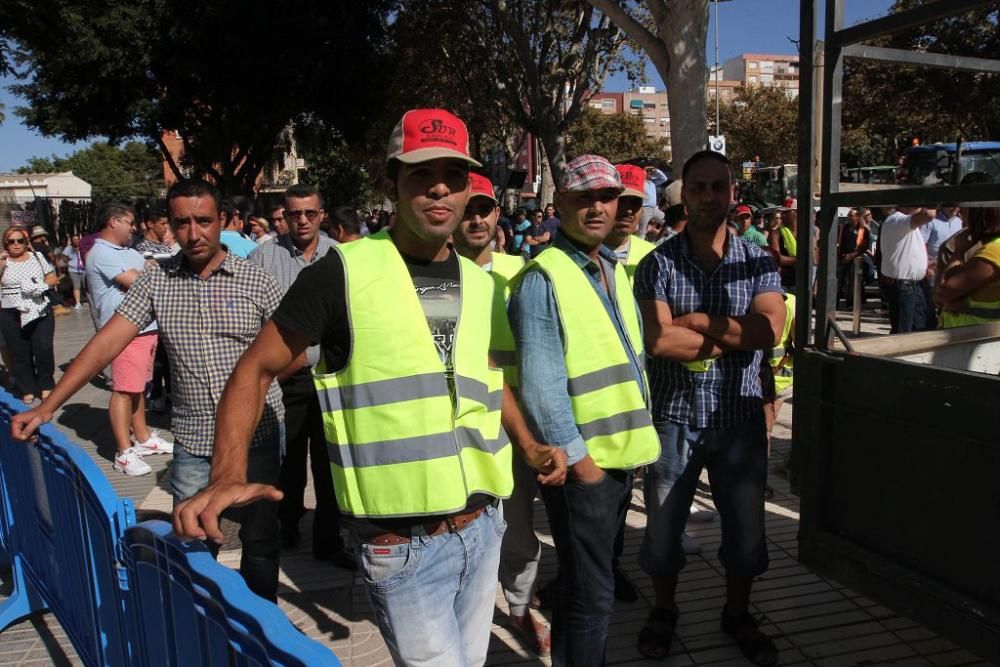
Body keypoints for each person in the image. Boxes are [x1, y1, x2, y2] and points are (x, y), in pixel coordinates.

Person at [171, 109, 563, 667]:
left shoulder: (482, 284)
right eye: (420, 175)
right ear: (392, 184)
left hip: (484, 526)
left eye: (453, 176)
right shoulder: (342, 273)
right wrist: (228, 472)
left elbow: (488, 377)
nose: (439, 190)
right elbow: (254, 368)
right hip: (401, 545)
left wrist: (527, 444)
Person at [12, 179, 286, 603]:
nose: (194, 233)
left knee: (262, 540)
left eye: (204, 221)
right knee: (193, 542)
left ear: (223, 221)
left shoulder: (257, 281)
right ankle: (207, 629)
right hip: (195, 438)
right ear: (168, 226)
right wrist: (49, 406)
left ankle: (263, 632)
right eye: (182, 223)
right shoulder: (157, 281)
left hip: (258, 435)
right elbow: (107, 342)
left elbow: (293, 353)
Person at [634, 150, 785, 665]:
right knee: (662, 531)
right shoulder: (657, 263)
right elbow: (659, 342)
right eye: (698, 187)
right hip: (674, 418)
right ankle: (665, 610)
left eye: (718, 187)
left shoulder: (759, 260)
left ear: (731, 193)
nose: (708, 196)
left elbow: (771, 329)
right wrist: (735, 333)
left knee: (746, 534)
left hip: (740, 418)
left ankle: (738, 613)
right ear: (683, 193)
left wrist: (696, 318)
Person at [508, 154, 660, 666]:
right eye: (584, 198)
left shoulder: (610, 269)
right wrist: (583, 468)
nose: (598, 207)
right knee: (592, 598)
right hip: (585, 470)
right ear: (560, 206)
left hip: (616, 462)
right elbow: (541, 389)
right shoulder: (542, 278)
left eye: (607, 196)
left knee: (583, 591)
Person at [451, 171, 554, 656]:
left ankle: (518, 605)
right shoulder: (430, 277)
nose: (475, 218)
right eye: (466, 208)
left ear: (497, 215)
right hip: (453, 425)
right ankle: (460, 616)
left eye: (484, 209)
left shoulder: (525, 272)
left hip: (515, 426)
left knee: (516, 524)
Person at [248, 184, 353, 571]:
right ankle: (288, 524)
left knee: (329, 465)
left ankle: (328, 539)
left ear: (322, 214)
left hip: (330, 376)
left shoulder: (340, 256)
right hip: (285, 379)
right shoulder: (264, 258)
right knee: (288, 460)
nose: (303, 220)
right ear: (284, 216)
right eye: (295, 214)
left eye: (310, 213)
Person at [85, 203, 170, 477]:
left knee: (137, 388)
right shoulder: (102, 252)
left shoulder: (126, 250)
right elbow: (138, 279)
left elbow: (151, 269)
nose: (135, 228)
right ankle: (124, 451)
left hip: (144, 330)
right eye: (130, 222)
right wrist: (151, 271)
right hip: (122, 332)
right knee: (123, 391)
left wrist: (151, 270)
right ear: (113, 221)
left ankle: (143, 438)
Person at [0, 227, 58, 404]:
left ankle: (46, 384)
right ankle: (27, 387)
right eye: (11, 241)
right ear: (5, 244)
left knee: (43, 348)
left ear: (26, 243)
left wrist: (40, 286)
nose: (16, 244)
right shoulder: (2, 262)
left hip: (39, 309)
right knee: (19, 352)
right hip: (11, 312)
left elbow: (52, 278)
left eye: (20, 241)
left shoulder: (37, 257)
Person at [936, 207, 1000, 328]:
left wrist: (958, 253)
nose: (961, 215)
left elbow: (942, 293)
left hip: (975, 339)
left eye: (965, 212)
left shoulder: (993, 252)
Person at [879, 206, 938, 333]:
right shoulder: (897, 220)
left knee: (918, 329)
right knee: (903, 333)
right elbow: (929, 215)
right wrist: (931, 196)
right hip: (904, 287)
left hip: (912, 286)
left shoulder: (902, 223)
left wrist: (924, 264)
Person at [606, 163, 658, 283]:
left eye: (635, 202)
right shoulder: (581, 255)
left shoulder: (653, 254)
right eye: (621, 201)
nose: (628, 210)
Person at [837, 208, 874, 309]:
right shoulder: (844, 228)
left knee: (853, 282)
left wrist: (852, 255)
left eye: (851, 215)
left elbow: (864, 246)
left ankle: (851, 304)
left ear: (857, 217)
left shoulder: (862, 229)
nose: (849, 217)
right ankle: (835, 303)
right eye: (848, 215)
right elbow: (839, 242)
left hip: (855, 259)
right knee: (839, 281)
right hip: (843, 258)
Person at [767, 207, 797, 292]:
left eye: (787, 212)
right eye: (782, 212)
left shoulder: (807, 231)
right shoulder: (776, 232)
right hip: (786, 282)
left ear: (796, 213)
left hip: (804, 280)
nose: (782, 215)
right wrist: (799, 260)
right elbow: (776, 257)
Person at [639, 165, 668, 238]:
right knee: (641, 232)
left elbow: (664, 178)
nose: (649, 173)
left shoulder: (653, 182)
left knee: (668, 223)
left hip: (655, 209)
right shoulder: (640, 182)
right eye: (648, 171)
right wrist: (644, 171)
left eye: (650, 171)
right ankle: (639, 247)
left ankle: (666, 238)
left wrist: (656, 170)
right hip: (645, 209)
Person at [60, 233, 86, 309]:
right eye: (74, 239)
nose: (76, 241)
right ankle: (78, 303)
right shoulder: (68, 248)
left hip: (84, 270)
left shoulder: (83, 246)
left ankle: (87, 299)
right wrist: (68, 261)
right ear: (72, 240)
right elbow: (63, 257)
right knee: (76, 286)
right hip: (73, 270)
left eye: (77, 239)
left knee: (85, 286)